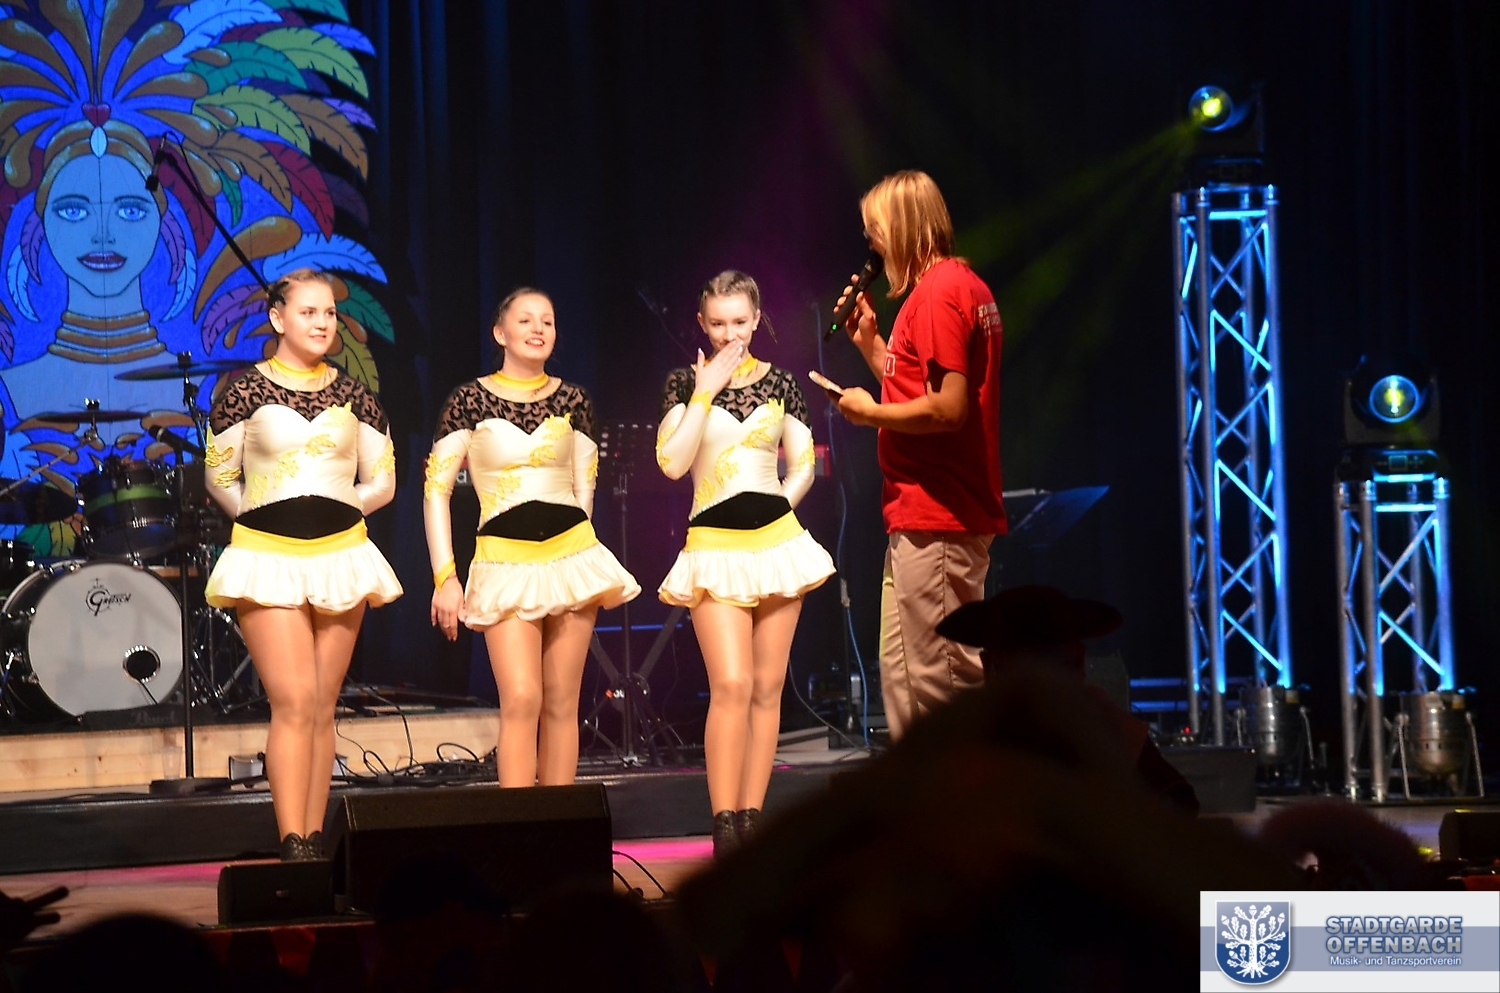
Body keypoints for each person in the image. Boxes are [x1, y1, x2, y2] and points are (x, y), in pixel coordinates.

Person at [203, 268, 402, 861]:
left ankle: (313, 839)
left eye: (330, 313)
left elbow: (383, 481)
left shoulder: (357, 396)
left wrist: (336, 507)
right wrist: (265, 518)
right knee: (292, 700)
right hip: (268, 559)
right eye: (309, 312)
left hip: (341, 556)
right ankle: (293, 841)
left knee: (320, 705)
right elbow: (219, 478)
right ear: (278, 318)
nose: (322, 323)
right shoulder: (243, 390)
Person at [425, 288, 638, 788]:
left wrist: (578, 557)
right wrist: (445, 577)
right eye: (525, 320)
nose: (538, 328)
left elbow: (585, 491)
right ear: (500, 333)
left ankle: (559, 820)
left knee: (562, 703)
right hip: (504, 563)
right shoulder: (468, 400)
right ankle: (519, 824)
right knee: (522, 698)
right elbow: (436, 491)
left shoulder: (574, 400)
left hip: (570, 556)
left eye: (547, 320)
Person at [656, 270, 835, 855]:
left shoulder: (782, 383)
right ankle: (723, 822)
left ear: (757, 319)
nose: (729, 333)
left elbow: (803, 466)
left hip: (776, 544)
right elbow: (672, 464)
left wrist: (774, 511)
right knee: (731, 683)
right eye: (717, 323)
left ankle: (752, 822)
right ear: (701, 324)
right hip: (713, 547)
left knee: (766, 686)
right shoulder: (683, 382)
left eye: (739, 321)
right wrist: (704, 391)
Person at [832, 169, 1006, 740]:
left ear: (905, 226)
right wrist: (871, 346)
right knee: (905, 676)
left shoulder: (939, 294)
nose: (871, 243)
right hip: (919, 512)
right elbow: (915, 388)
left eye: (876, 229)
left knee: (942, 681)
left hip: (939, 513)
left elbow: (949, 408)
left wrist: (869, 414)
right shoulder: (943, 289)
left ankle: (969, 794)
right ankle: (924, 790)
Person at [935, 584, 1199, 815]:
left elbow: (1176, 800)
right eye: (1024, 671)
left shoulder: (1099, 717)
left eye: (1055, 669)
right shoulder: (970, 728)